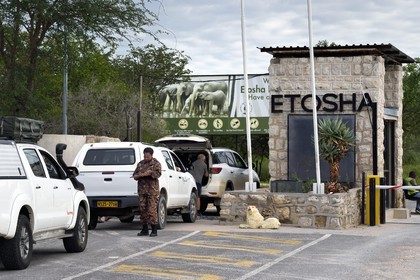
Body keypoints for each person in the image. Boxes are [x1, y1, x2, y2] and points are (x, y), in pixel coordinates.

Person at [132, 147, 162, 237]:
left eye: (148, 157)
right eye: (145, 156)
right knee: (143, 209)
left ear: (151, 155)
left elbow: (158, 174)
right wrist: (138, 176)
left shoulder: (156, 163)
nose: (146, 158)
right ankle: (144, 229)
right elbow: (135, 174)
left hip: (152, 190)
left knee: (152, 210)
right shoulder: (140, 164)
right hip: (142, 190)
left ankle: (154, 230)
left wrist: (149, 173)